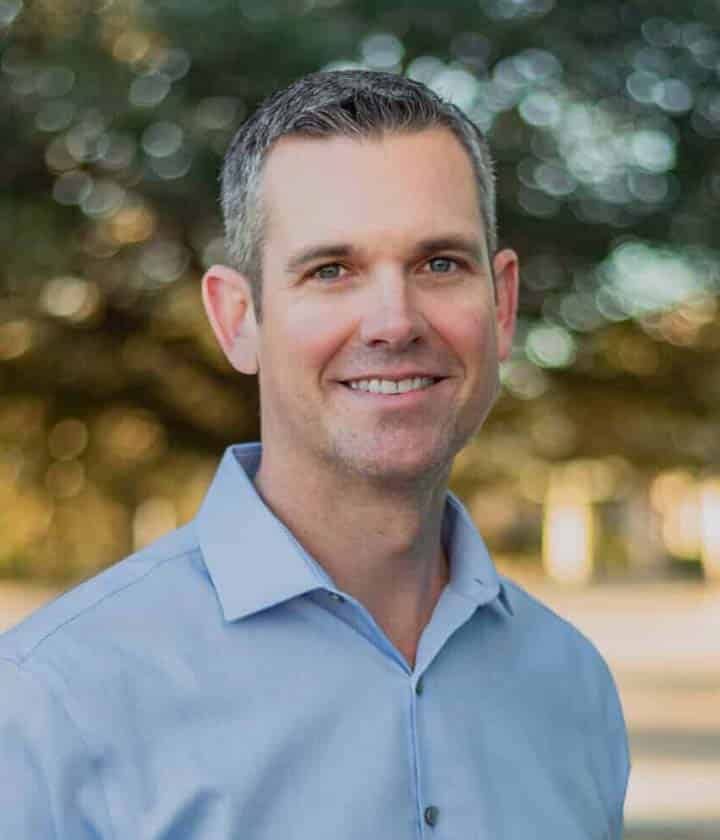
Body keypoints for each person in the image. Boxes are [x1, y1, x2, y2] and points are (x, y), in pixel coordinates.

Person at [0, 69, 630, 838]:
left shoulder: (573, 687)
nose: (394, 322)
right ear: (238, 319)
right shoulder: (52, 704)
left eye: (439, 264)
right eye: (331, 270)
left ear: (501, 305)